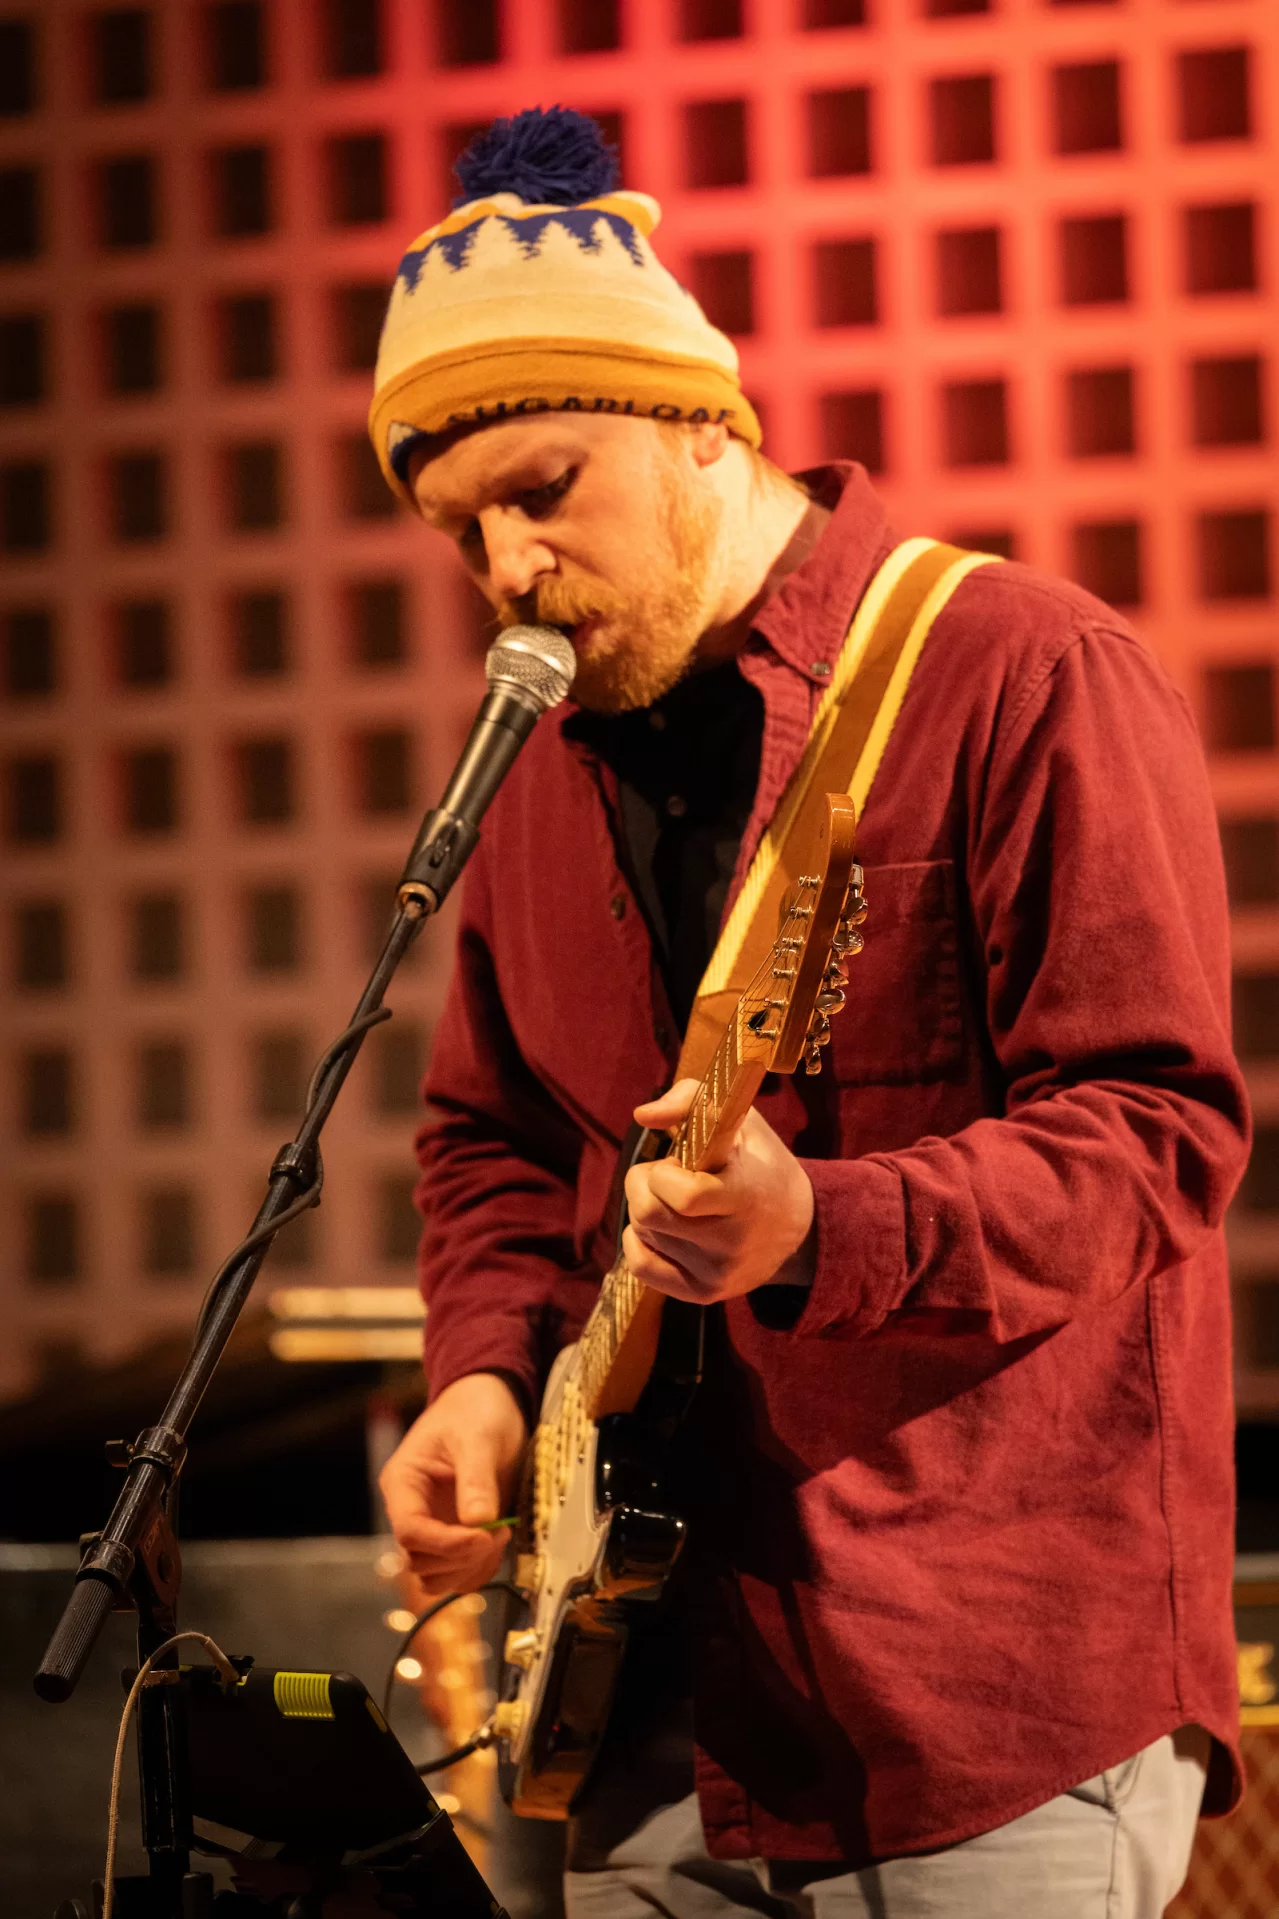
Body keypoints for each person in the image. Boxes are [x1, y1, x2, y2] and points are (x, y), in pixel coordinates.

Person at [372, 108, 1249, 1916]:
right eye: (463, 534)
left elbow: (1158, 1135)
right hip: (648, 1715)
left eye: (545, 489)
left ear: (703, 425)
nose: (509, 569)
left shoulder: (1025, 672)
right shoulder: (531, 776)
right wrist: (480, 1370)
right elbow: (493, 1136)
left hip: (973, 1702)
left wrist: (818, 1228)